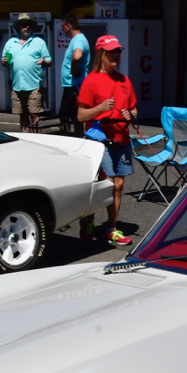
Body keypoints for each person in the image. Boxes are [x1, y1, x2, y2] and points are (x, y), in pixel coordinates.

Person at [77, 34, 137, 247]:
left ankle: (111, 228)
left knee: (119, 184)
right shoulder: (91, 80)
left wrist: (132, 114)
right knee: (107, 183)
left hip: (121, 137)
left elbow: (134, 108)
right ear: (101, 54)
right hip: (99, 138)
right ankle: (89, 220)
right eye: (112, 52)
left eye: (118, 51)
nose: (116, 55)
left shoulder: (124, 80)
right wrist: (100, 108)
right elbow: (81, 115)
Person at [1, 13, 50, 132]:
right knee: (22, 116)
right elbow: (5, 62)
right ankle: (27, 140)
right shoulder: (10, 43)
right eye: (24, 25)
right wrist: (4, 61)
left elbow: (49, 61)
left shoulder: (39, 42)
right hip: (17, 86)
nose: (27, 27)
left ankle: (39, 141)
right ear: (19, 27)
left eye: (29, 25)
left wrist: (44, 62)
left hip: (34, 85)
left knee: (35, 115)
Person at [58, 13, 89, 134]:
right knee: (76, 117)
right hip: (73, 85)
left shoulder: (78, 40)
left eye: (62, 26)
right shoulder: (79, 39)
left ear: (68, 26)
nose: (62, 29)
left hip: (74, 85)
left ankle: (68, 142)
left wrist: (73, 70)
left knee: (65, 118)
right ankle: (77, 138)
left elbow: (77, 56)